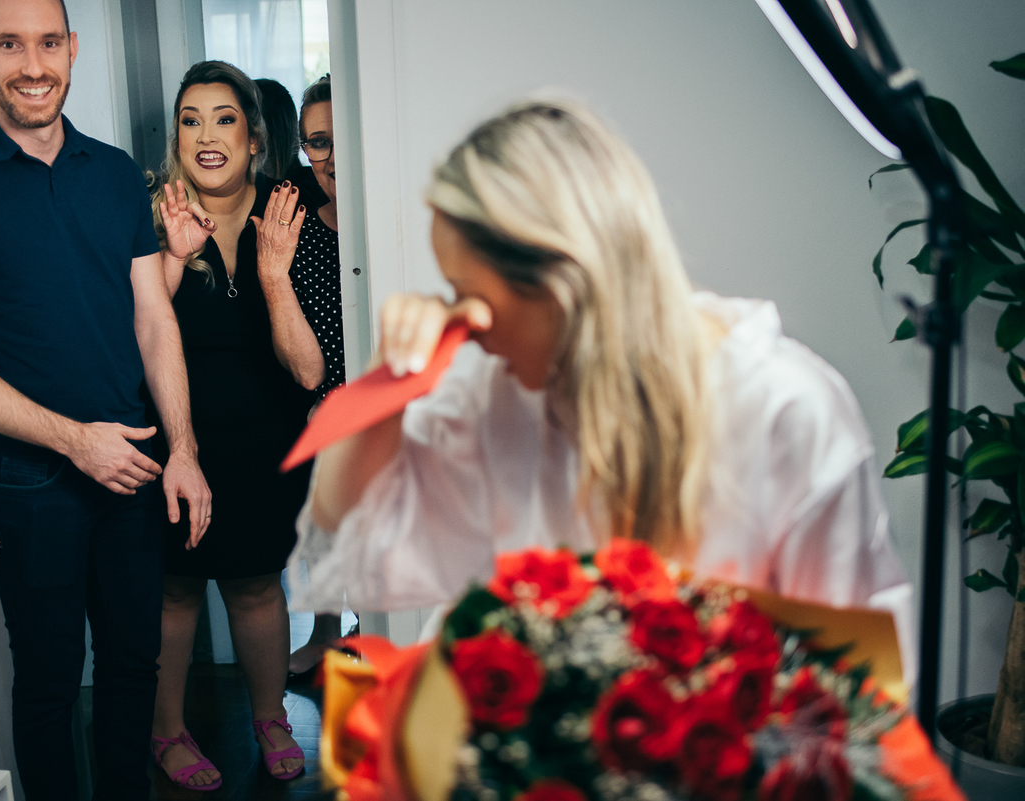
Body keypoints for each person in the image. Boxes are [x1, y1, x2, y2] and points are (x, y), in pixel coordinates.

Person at [291, 99, 916, 681]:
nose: (465, 325)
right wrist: (384, 382)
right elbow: (345, 525)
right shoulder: (496, 389)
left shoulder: (785, 408)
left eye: (469, 294)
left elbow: (855, 678)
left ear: (563, 277)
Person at [0, 1, 210, 799]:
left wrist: (183, 449)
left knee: (134, 665)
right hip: (25, 481)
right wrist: (75, 440)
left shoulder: (111, 173)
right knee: (48, 682)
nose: (32, 65)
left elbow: (153, 316)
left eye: (46, 43)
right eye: (9, 44)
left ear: (72, 48)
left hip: (135, 463)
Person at [146, 60, 321, 787]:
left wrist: (275, 275)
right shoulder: (151, 211)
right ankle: (167, 731)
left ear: (253, 137)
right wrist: (170, 255)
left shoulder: (289, 213)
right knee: (176, 588)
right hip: (177, 435)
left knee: (256, 584)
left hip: (264, 437)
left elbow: (308, 370)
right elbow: (137, 332)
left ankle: (270, 714)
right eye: (191, 119)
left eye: (225, 118)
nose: (207, 135)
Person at [286, 75, 350, 680]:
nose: (329, 156)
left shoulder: (397, 222)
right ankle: (329, 633)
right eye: (317, 142)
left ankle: (376, 630)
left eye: (339, 136)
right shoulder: (302, 228)